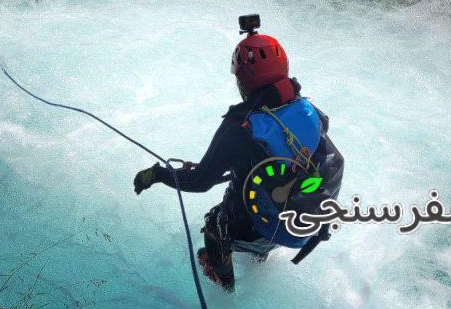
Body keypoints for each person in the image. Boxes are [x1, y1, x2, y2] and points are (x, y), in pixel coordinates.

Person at [132, 17, 344, 291]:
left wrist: (158, 175)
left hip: (261, 227)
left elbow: (200, 182)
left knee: (215, 223)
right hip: (302, 223)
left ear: (244, 80)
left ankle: (225, 284)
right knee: (264, 195)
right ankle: (259, 258)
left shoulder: (241, 126)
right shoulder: (309, 111)